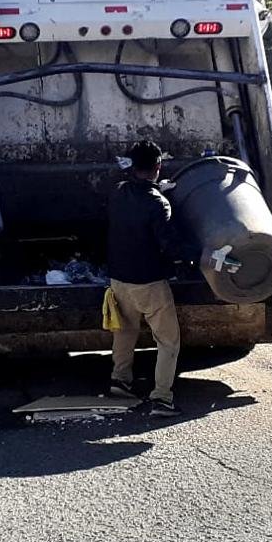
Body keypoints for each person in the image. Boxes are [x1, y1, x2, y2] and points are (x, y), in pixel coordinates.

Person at [107, 140, 195, 417]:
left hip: (118, 279)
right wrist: (198, 252)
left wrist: (157, 189)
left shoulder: (119, 193)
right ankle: (161, 398)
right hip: (149, 282)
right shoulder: (158, 204)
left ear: (131, 167)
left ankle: (120, 381)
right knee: (168, 341)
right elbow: (170, 246)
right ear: (158, 166)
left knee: (125, 331)